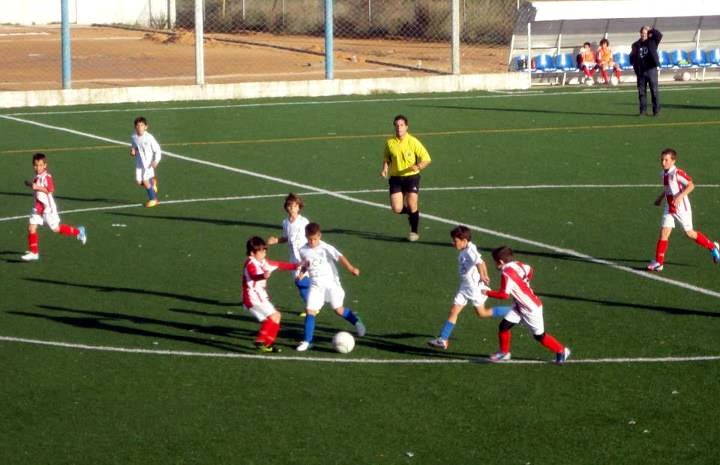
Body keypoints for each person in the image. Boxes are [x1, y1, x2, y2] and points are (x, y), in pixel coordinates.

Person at [483, 246, 571, 364]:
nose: (494, 264)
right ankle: (504, 353)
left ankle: (562, 350)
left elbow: (504, 295)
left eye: (495, 262)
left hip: (531, 308)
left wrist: (486, 292)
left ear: (501, 262)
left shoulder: (506, 273)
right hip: (520, 306)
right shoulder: (519, 264)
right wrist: (524, 283)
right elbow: (530, 270)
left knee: (539, 336)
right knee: (504, 326)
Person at [427, 226, 510, 350]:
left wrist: (483, 275)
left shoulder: (470, 250)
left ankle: (513, 311)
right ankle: (443, 340)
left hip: (473, 288)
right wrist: (485, 275)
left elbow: (480, 263)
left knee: (482, 313)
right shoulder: (466, 248)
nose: (453, 243)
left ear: (464, 241)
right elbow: (482, 262)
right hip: (465, 286)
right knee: (454, 311)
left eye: (455, 241)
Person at [296, 222, 365, 351]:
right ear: (306, 236)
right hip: (315, 286)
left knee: (338, 309)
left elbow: (340, 257)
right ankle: (307, 341)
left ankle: (356, 321)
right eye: (310, 239)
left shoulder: (325, 248)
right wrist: (301, 273)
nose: (312, 242)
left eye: (315, 239)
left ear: (319, 236)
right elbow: (306, 264)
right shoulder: (303, 250)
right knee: (310, 310)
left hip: (331, 284)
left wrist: (351, 268)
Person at [647, 148, 720, 272]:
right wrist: (660, 198)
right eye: (662, 160)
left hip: (681, 207)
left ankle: (713, 247)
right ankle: (659, 263)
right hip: (669, 206)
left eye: (666, 160)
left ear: (673, 161)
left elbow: (691, 185)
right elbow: (668, 189)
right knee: (664, 232)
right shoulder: (663, 173)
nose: (663, 162)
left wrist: (680, 196)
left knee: (689, 233)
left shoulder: (677, 173)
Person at [21, 153, 87, 261]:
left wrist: (36, 187)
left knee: (56, 229)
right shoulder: (36, 176)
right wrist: (30, 185)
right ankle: (34, 252)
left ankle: (79, 232)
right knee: (31, 227)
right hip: (38, 207)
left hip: (48, 209)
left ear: (45, 165)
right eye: (36, 165)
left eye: (41, 165)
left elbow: (50, 189)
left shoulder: (46, 177)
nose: (38, 167)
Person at [242, 236, 299, 353]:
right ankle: (260, 340)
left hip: (260, 296)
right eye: (261, 251)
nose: (264, 252)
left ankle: (267, 344)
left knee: (277, 316)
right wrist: (262, 276)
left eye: (265, 250)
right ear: (252, 253)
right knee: (273, 316)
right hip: (252, 297)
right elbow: (254, 276)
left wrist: (297, 265)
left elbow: (280, 265)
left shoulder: (264, 262)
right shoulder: (250, 263)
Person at [381, 114, 432, 242]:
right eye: (397, 125)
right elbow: (387, 157)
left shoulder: (413, 141)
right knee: (396, 208)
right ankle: (412, 214)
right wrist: (385, 168)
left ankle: (414, 231)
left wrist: (418, 166)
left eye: (402, 125)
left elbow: (427, 158)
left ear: (406, 127)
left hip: (411, 178)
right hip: (396, 178)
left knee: (412, 203)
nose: (399, 128)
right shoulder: (390, 142)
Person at [266, 193, 311, 307]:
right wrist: (276, 240)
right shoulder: (285, 222)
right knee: (299, 283)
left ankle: (315, 297)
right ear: (286, 207)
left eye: (295, 206)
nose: (292, 208)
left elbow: (311, 236)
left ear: (299, 207)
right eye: (289, 206)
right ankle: (311, 306)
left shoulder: (304, 221)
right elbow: (286, 237)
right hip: (293, 257)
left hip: (303, 255)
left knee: (300, 280)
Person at [630, 26, 663, 116]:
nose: (644, 35)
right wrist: (635, 68)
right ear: (640, 33)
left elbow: (659, 35)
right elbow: (632, 58)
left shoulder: (652, 41)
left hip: (651, 70)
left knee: (654, 91)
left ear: (648, 34)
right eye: (642, 33)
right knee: (641, 92)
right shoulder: (635, 45)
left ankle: (656, 110)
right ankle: (643, 111)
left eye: (646, 33)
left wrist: (651, 29)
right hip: (641, 71)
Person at [130, 116, 162, 207]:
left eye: (141, 125)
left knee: (145, 180)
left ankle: (153, 199)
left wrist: (156, 160)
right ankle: (152, 183)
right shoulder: (134, 137)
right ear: (135, 127)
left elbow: (157, 150)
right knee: (139, 182)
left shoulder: (149, 137)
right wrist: (133, 152)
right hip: (139, 163)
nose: (139, 127)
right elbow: (134, 148)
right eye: (137, 125)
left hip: (148, 163)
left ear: (146, 127)